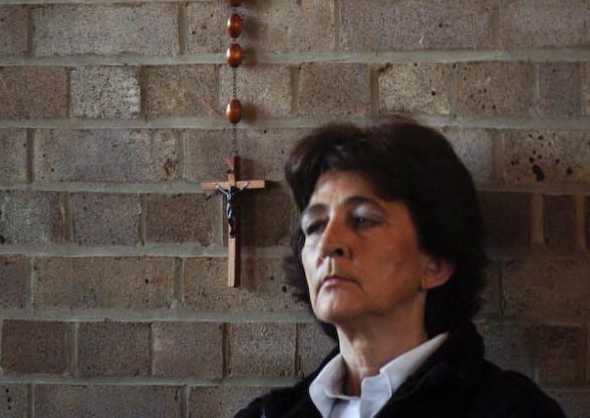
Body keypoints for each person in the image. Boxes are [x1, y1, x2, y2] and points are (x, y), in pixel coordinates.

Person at [234, 118, 565, 418]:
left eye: (363, 219)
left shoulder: (513, 411)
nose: (328, 242)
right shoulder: (265, 415)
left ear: (435, 263)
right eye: (315, 225)